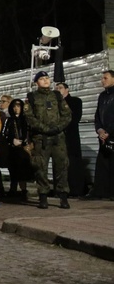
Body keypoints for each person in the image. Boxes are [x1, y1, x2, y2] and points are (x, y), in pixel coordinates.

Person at [25, 71, 72, 209]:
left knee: (62, 166)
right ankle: (43, 197)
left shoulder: (57, 96)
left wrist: (58, 128)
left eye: (47, 78)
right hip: (41, 138)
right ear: (36, 82)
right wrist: (44, 129)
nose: (45, 81)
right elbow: (29, 117)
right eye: (41, 79)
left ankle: (63, 197)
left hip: (58, 138)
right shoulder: (31, 97)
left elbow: (67, 115)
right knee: (40, 168)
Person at [85, 70, 114, 200]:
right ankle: (101, 192)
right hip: (103, 137)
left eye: (105, 78)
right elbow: (97, 115)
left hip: (112, 135)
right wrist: (100, 130)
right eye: (102, 78)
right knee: (102, 165)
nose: (102, 80)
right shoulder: (102, 96)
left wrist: (109, 131)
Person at [56, 82, 85, 197]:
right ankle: (60, 189)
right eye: (56, 88)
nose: (58, 90)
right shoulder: (54, 104)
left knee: (72, 163)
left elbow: (75, 118)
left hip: (71, 137)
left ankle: (75, 189)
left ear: (67, 89)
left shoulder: (75, 101)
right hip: (58, 138)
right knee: (59, 164)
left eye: (60, 88)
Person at [2, 99, 35, 199]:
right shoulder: (9, 120)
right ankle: (13, 190)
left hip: (24, 148)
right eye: (14, 106)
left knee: (23, 170)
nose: (16, 109)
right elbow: (4, 133)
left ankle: (24, 190)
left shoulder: (26, 120)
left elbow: (31, 132)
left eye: (18, 106)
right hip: (13, 149)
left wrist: (28, 142)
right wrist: (12, 140)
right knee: (13, 170)